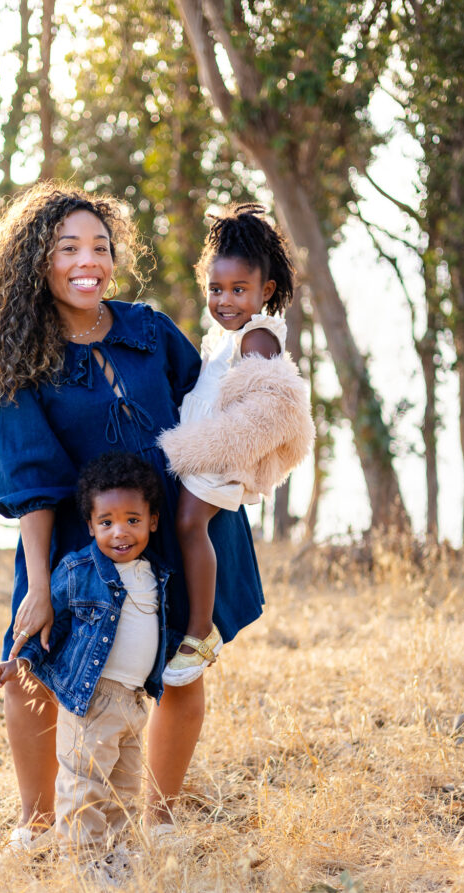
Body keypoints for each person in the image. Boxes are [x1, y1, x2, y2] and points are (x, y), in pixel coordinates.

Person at [0, 181, 266, 853]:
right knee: (31, 667)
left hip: (171, 528)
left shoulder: (149, 331)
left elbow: (211, 402)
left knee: (179, 667)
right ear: (37, 261)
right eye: (68, 248)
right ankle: (37, 827)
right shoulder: (19, 359)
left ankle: (158, 821)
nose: (88, 262)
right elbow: (32, 483)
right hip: (81, 543)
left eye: (100, 247)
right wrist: (39, 585)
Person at [0, 453, 170, 879]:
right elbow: (51, 626)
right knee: (84, 785)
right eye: (106, 522)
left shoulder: (156, 574)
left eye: (132, 520)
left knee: (124, 790)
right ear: (90, 526)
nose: (120, 532)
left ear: (153, 522)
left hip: (134, 703)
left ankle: (116, 860)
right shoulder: (77, 571)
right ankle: (80, 868)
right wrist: (19, 662)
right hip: (91, 700)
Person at [159, 203, 315, 685]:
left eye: (239, 290)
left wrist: (203, 445)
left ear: (265, 291)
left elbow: (271, 411)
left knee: (189, 523)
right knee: (183, 526)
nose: (225, 300)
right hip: (204, 449)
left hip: (219, 454)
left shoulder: (258, 337)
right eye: (216, 289)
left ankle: (200, 632)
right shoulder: (225, 335)